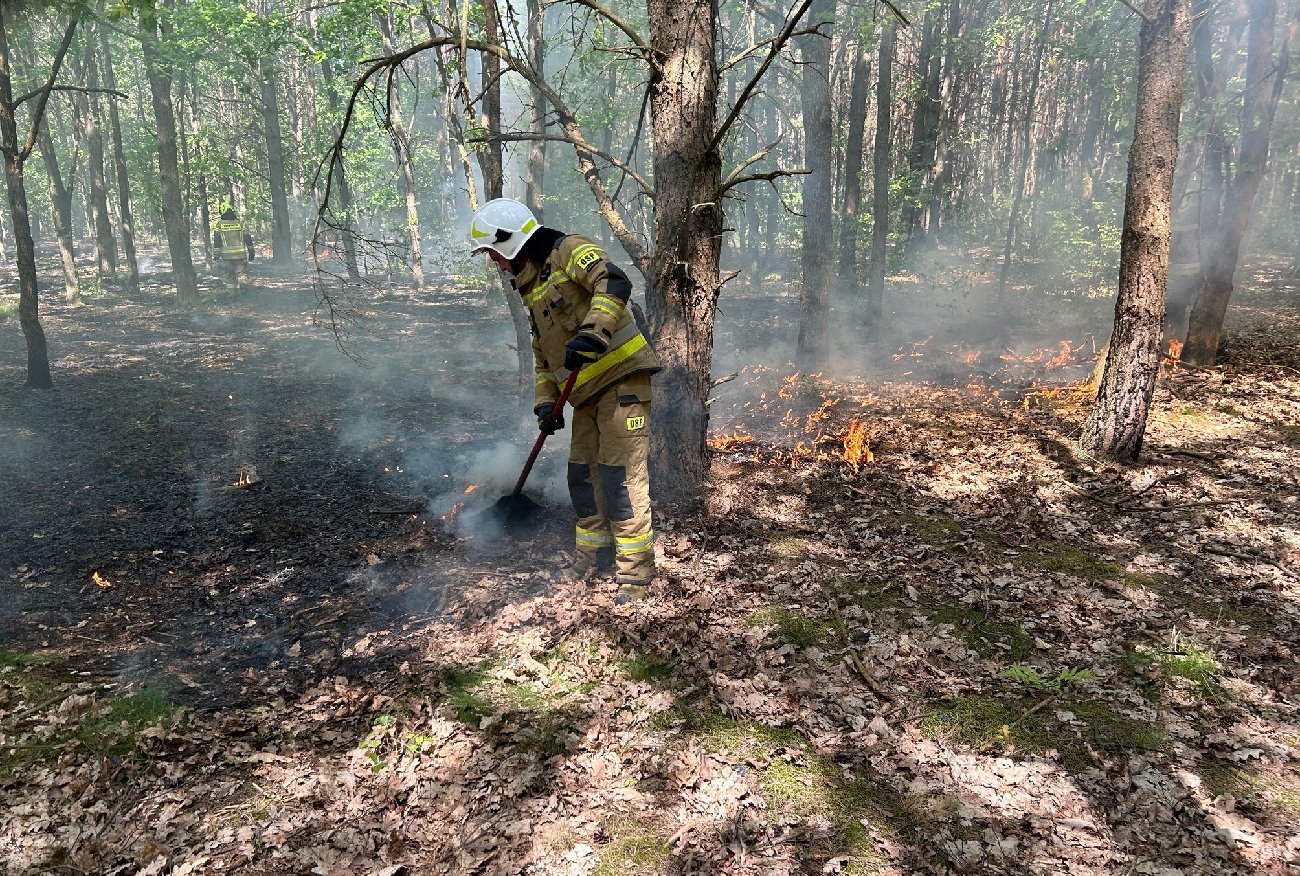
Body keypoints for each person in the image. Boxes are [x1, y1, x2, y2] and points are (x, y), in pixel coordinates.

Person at [468, 198, 661, 600]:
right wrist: (545, 402)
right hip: (584, 395)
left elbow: (614, 281)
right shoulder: (532, 285)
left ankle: (635, 574)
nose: (493, 262)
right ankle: (593, 557)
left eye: (492, 252)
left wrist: (594, 331)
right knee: (582, 477)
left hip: (622, 380)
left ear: (508, 241)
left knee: (620, 479)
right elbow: (544, 354)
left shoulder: (568, 249)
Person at [212, 206, 253, 293]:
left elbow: (217, 240)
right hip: (241, 255)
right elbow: (247, 237)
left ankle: (232, 293)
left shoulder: (220, 224)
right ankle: (243, 283)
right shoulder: (240, 223)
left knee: (229, 274)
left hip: (227, 256)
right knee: (242, 272)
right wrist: (251, 251)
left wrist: (216, 254)